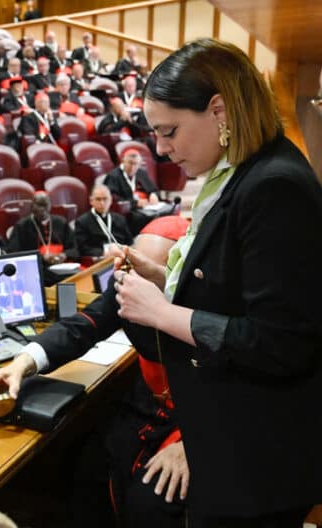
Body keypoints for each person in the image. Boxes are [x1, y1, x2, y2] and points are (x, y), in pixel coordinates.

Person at [112, 38, 322, 526]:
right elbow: (237, 293)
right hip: (234, 440)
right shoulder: (241, 173)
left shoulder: (274, 186)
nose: (160, 148)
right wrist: (163, 277)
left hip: (257, 456)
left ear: (219, 111)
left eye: (169, 131)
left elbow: (279, 339)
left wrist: (161, 311)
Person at [0, 217, 191, 528]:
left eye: (149, 273)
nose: (135, 282)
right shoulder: (127, 285)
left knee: (153, 501)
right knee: (88, 473)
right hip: (147, 406)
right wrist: (21, 363)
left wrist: (193, 445)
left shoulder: (205, 300)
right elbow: (83, 326)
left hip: (199, 418)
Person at [6, 192, 78, 286]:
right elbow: (13, 252)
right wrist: (42, 257)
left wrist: (64, 255)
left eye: (46, 205)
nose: (43, 209)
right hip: (37, 269)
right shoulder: (22, 226)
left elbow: (75, 249)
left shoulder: (61, 222)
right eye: (39, 205)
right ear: (31, 207)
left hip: (63, 267)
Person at [103, 148, 160, 234]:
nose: (132, 167)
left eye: (135, 164)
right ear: (123, 161)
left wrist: (153, 194)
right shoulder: (113, 176)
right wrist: (134, 203)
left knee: (165, 211)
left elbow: (153, 189)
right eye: (130, 163)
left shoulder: (141, 173)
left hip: (146, 207)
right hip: (129, 211)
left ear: (139, 164)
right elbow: (113, 198)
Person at [75, 183, 133, 257]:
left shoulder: (120, 219)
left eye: (105, 199)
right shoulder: (82, 222)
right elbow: (83, 249)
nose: (102, 203)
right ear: (91, 201)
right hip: (99, 259)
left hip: (121, 256)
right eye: (98, 199)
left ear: (111, 200)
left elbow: (130, 242)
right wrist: (104, 253)